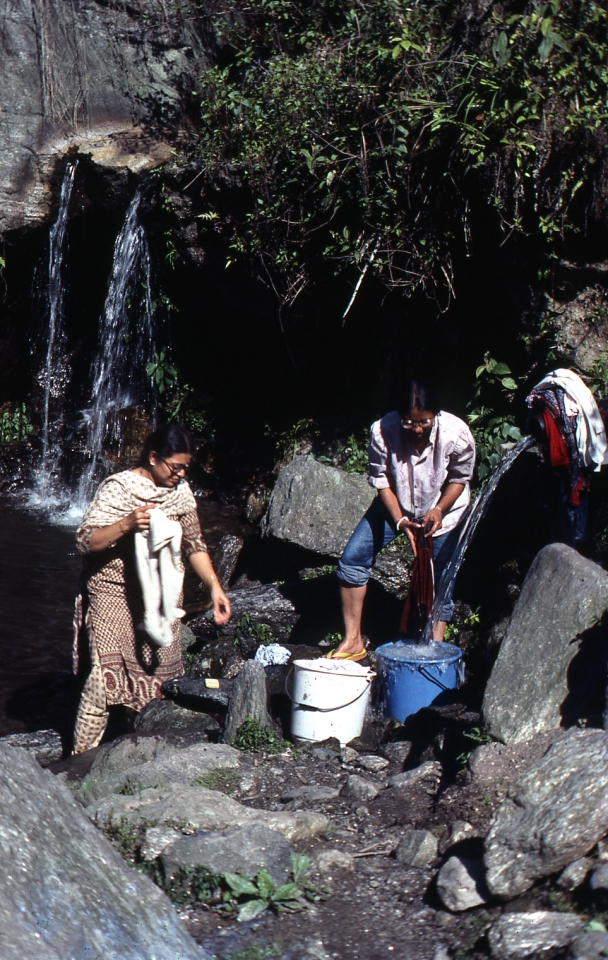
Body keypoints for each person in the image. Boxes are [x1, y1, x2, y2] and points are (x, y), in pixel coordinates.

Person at [72, 423, 231, 754]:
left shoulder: (180, 493)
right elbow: (86, 540)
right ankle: (79, 760)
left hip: (161, 596)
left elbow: (194, 544)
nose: (181, 474)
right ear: (154, 458)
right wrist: (126, 524)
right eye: (176, 467)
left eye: (187, 467)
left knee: (161, 685)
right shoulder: (118, 489)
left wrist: (215, 587)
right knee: (102, 684)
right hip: (112, 593)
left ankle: (138, 755)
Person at [330, 379, 475, 659]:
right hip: (397, 504)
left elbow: (460, 477)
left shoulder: (456, 434)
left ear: (437, 415)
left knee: (441, 575)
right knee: (353, 558)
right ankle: (353, 641)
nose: (417, 429)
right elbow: (382, 480)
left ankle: (434, 645)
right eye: (410, 423)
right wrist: (399, 521)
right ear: (399, 417)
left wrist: (439, 510)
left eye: (424, 422)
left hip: (445, 508)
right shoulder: (383, 432)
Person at [526, 368, 608, 548]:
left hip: (574, 463)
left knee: (572, 500)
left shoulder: (558, 411)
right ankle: (572, 542)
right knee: (565, 502)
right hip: (566, 465)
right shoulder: (546, 407)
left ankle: (576, 543)